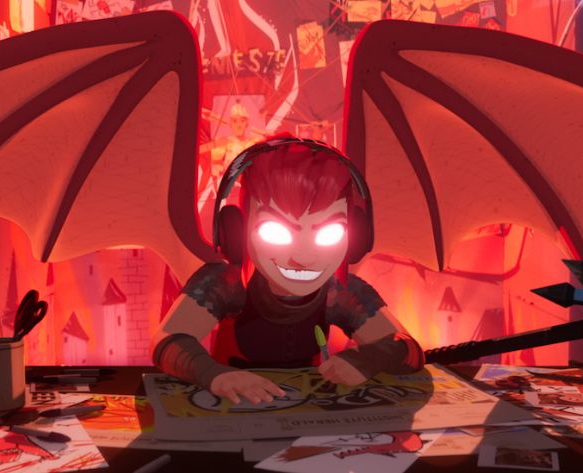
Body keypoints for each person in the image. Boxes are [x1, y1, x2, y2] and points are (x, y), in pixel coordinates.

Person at [152, 135, 424, 405]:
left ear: (356, 235)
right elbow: (167, 341)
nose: (303, 256)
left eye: (329, 233)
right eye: (275, 232)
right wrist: (215, 376)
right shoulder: (225, 283)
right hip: (235, 408)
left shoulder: (339, 292)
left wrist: (369, 359)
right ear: (236, 231)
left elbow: (408, 348)